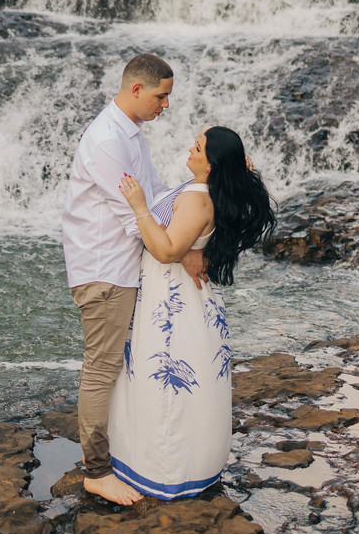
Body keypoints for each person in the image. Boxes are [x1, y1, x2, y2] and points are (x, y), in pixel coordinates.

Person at [61, 53, 206, 506]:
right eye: (161, 96)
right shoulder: (108, 141)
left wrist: (203, 195)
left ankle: (122, 454)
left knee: (119, 366)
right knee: (102, 368)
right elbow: (136, 219)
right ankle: (97, 472)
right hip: (105, 270)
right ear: (137, 89)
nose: (166, 105)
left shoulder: (131, 134)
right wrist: (181, 246)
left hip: (124, 268)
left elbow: (156, 193)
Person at [109, 126, 275, 500]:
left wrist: (138, 205)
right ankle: (184, 467)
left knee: (167, 381)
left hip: (171, 298)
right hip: (188, 297)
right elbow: (242, 167)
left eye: (197, 148)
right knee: (185, 380)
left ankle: (166, 473)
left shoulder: (198, 200)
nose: (190, 149)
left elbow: (165, 250)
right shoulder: (213, 186)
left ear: (211, 165)